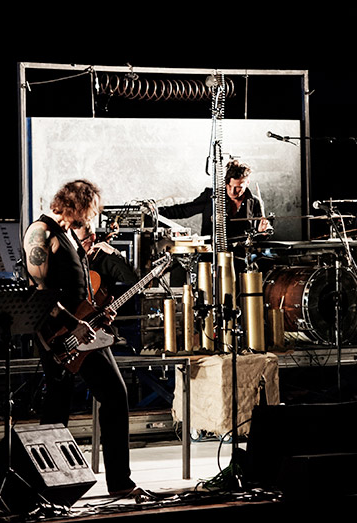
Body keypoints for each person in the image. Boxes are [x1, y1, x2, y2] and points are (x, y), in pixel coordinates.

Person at [24, 179, 139, 497]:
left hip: (84, 328)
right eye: (89, 211)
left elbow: (77, 288)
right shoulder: (40, 232)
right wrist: (73, 324)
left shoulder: (69, 235)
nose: (92, 218)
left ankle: (114, 482)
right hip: (60, 334)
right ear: (75, 205)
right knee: (72, 404)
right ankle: (49, 486)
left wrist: (98, 312)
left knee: (72, 404)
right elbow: (40, 293)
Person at [158, 159, 270, 242]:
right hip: (211, 256)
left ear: (247, 182)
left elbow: (258, 238)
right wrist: (155, 212)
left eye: (238, 188)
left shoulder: (255, 202)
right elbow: (183, 211)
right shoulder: (211, 196)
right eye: (229, 186)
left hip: (241, 257)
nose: (232, 191)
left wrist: (262, 232)